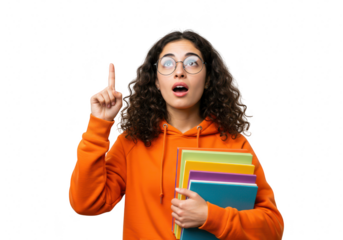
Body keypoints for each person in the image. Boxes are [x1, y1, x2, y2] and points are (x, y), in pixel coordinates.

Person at [68, 26, 285, 239]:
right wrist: (99, 124)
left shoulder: (236, 145)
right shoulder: (131, 143)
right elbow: (86, 204)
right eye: (168, 63)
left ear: (209, 78)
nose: (179, 71)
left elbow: (272, 227)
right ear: (155, 80)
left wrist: (211, 216)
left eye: (192, 63)